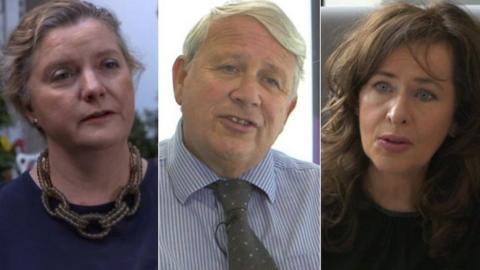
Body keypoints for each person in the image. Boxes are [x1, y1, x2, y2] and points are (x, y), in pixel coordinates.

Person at [158, 0, 319, 269]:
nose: (247, 95)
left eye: (271, 80)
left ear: (288, 112)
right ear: (181, 79)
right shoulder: (126, 198)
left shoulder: (322, 198)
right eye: (229, 68)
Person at [321, 2, 480, 269]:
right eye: (382, 86)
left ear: (457, 118)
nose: (397, 114)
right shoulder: (306, 208)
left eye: (424, 94)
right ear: (357, 101)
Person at [0, 1, 157, 269]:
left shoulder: (190, 200)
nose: (93, 88)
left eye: (108, 64)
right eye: (63, 74)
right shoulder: (6, 220)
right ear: (28, 106)